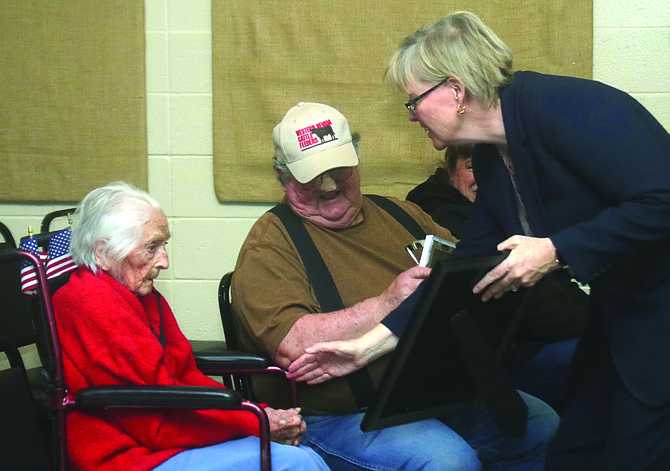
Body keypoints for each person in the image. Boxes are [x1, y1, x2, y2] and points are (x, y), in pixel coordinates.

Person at [291, 11, 670, 471]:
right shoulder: (493, 159)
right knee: (573, 452)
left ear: (456, 90)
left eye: (412, 102)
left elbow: (662, 199)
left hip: (655, 318)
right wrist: (366, 345)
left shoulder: (570, 107)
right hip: (621, 313)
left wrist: (556, 249)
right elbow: (468, 267)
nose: (411, 117)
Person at [232, 101, 559, 471]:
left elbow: (463, 273)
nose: (328, 185)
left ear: (355, 159)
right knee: (448, 462)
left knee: (542, 426)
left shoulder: (401, 213)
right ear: (283, 177)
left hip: (434, 395)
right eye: (312, 175)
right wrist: (389, 302)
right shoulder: (271, 243)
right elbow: (295, 346)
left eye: (338, 169)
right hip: (341, 415)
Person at [52, 182, 331, 471]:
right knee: (295, 464)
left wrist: (257, 415)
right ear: (102, 252)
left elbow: (184, 374)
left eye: (164, 245)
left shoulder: (137, 295)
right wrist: (254, 421)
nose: (165, 261)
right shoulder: (92, 303)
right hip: (131, 456)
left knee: (306, 457)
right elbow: (154, 422)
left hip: (163, 440)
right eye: (151, 247)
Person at [407, 145, 589, 411]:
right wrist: (596, 319)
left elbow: (558, 282)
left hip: (545, 334)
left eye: (499, 170)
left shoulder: (512, 213)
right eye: (471, 166)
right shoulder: (443, 217)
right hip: (510, 354)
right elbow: (528, 303)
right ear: (449, 169)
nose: (484, 178)